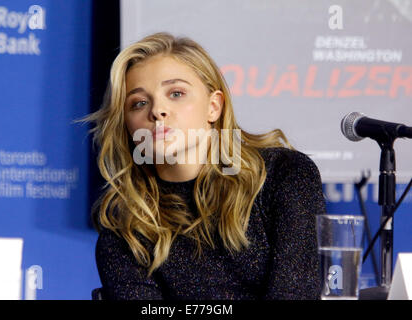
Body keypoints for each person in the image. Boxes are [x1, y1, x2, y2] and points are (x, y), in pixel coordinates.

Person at [87, 32, 326, 300]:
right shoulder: (126, 228)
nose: (157, 111)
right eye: (139, 103)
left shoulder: (284, 175)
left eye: (176, 93)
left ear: (214, 107)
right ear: (128, 126)